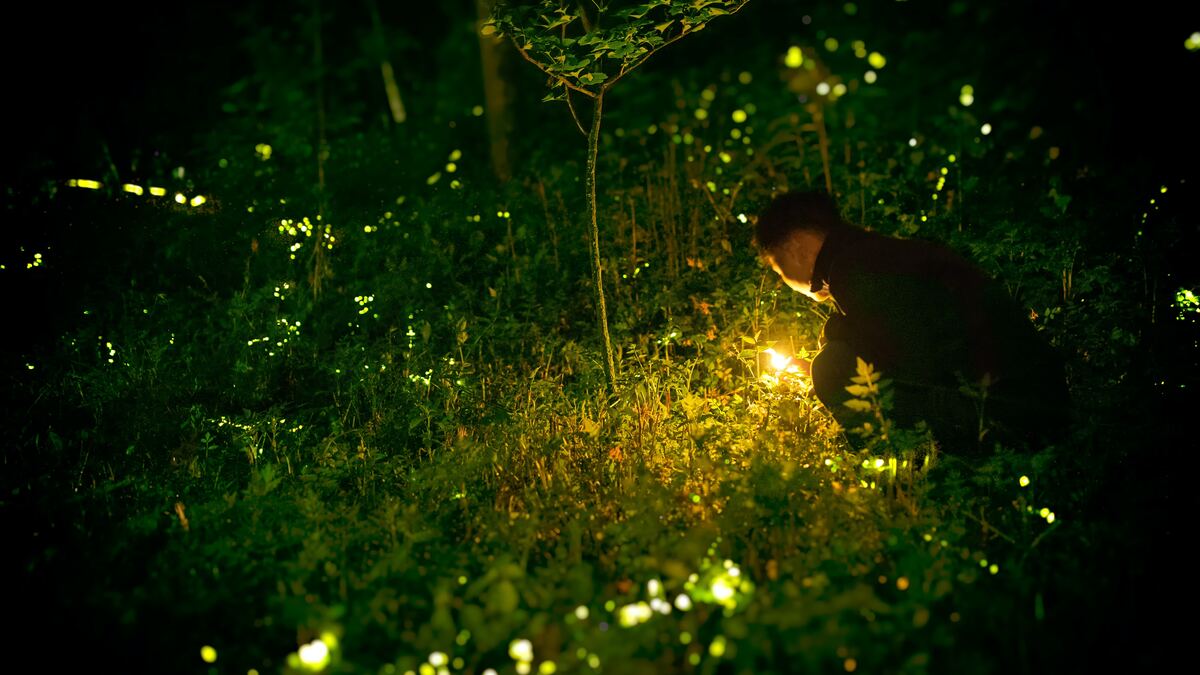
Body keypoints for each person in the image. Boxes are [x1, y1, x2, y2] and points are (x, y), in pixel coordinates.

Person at [754, 191, 1069, 452]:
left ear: (795, 249)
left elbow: (912, 365)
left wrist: (837, 337)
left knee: (832, 367)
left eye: (778, 269)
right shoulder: (873, 253)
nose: (784, 279)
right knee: (833, 358)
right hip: (1034, 400)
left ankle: (900, 475)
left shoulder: (856, 268)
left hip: (1009, 414)